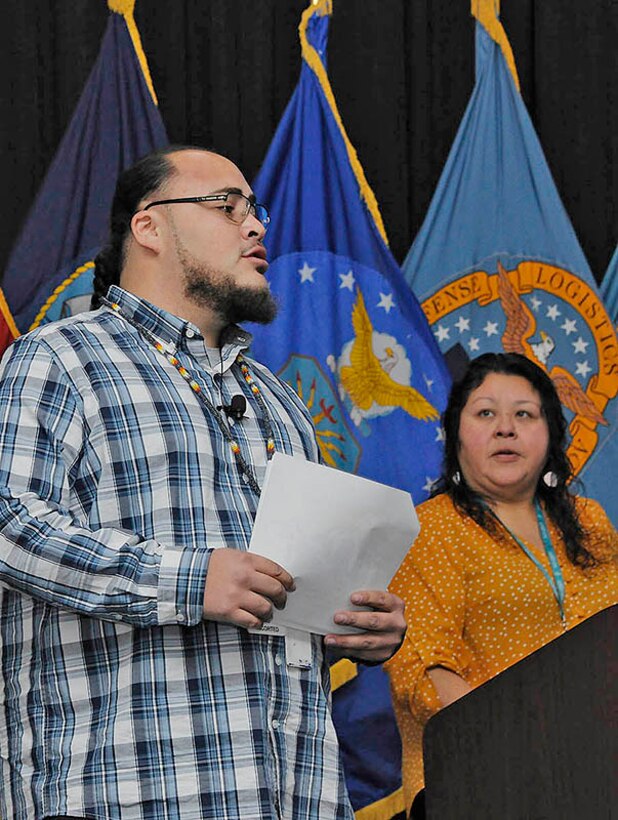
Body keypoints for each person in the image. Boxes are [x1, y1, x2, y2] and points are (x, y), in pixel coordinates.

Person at [0, 145, 406, 820]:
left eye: (256, 211)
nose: (255, 226)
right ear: (149, 227)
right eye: (227, 206)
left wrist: (354, 622)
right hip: (122, 797)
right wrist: (191, 580)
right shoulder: (59, 359)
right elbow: (8, 522)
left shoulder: (281, 403)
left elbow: (289, 591)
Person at [384, 352, 618, 815]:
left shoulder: (590, 522)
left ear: (551, 434)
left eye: (524, 414)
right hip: (480, 778)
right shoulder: (428, 529)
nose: (505, 427)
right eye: (486, 412)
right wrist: (531, 747)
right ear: (455, 436)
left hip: (595, 776)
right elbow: (426, 674)